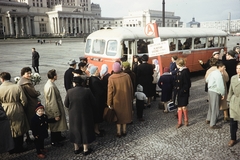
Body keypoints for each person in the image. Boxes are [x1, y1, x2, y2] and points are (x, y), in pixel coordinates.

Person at [64, 76, 96, 156]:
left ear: (74, 83)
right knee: (85, 130)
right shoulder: (87, 91)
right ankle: (85, 149)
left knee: (75, 130)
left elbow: (66, 104)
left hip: (73, 114)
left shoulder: (69, 92)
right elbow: (93, 102)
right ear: (82, 83)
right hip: (85, 114)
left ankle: (76, 149)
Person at [0, 72, 29, 154]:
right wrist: (22, 107)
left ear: (2, 79)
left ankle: (10, 148)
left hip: (5, 108)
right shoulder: (16, 86)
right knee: (19, 127)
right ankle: (19, 146)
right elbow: (24, 100)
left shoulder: (0, 88)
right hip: (17, 107)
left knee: (9, 128)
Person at [107, 62, 133, 138]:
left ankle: (118, 132)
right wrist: (131, 97)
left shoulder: (111, 78)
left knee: (118, 116)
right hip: (126, 99)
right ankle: (124, 131)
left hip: (116, 100)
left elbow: (110, 92)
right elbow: (131, 87)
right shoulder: (127, 76)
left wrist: (109, 103)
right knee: (125, 115)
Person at [44, 69, 68, 147]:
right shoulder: (50, 86)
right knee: (55, 125)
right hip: (53, 109)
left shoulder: (50, 84)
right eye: (56, 75)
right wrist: (56, 113)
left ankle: (58, 137)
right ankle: (54, 141)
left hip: (54, 107)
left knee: (57, 125)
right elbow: (52, 101)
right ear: (54, 76)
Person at [18, 67, 41, 144]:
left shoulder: (21, 82)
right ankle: (36, 137)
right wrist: (38, 92)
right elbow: (33, 93)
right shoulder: (26, 83)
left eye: (30, 73)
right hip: (31, 104)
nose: (30, 74)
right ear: (23, 74)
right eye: (28, 73)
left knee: (27, 121)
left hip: (26, 105)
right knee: (33, 121)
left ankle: (28, 137)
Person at [205, 58, 230, 122]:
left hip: (210, 90)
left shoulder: (209, 71)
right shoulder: (219, 72)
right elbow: (225, 80)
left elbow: (206, 80)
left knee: (211, 106)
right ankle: (217, 120)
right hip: (217, 90)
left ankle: (208, 119)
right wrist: (223, 93)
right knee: (217, 107)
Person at [89, 66, 105, 137]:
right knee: (97, 116)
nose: (99, 71)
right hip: (97, 101)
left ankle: (97, 128)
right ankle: (96, 130)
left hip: (96, 100)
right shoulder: (95, 81)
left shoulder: (91, 79)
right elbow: (100, 92)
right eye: (97, 70)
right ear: (95, 72)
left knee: (97, 116)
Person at [174, 58, 191, 128]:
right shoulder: (178, 71)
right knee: (179, 107)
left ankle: (186, 120)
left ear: (179, 64)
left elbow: (187, 83)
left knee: (184, 107)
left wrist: (183, 90)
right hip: (178, 91)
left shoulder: (185, 71)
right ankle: (179, 121)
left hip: (183, 92)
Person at [227, 62, 240, 147]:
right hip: (234, 101)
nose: (238, 70)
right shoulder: (233, 78)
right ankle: (233, 138)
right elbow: (230, 90)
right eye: (237, 68)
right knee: (233, 122)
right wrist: (228, 100)